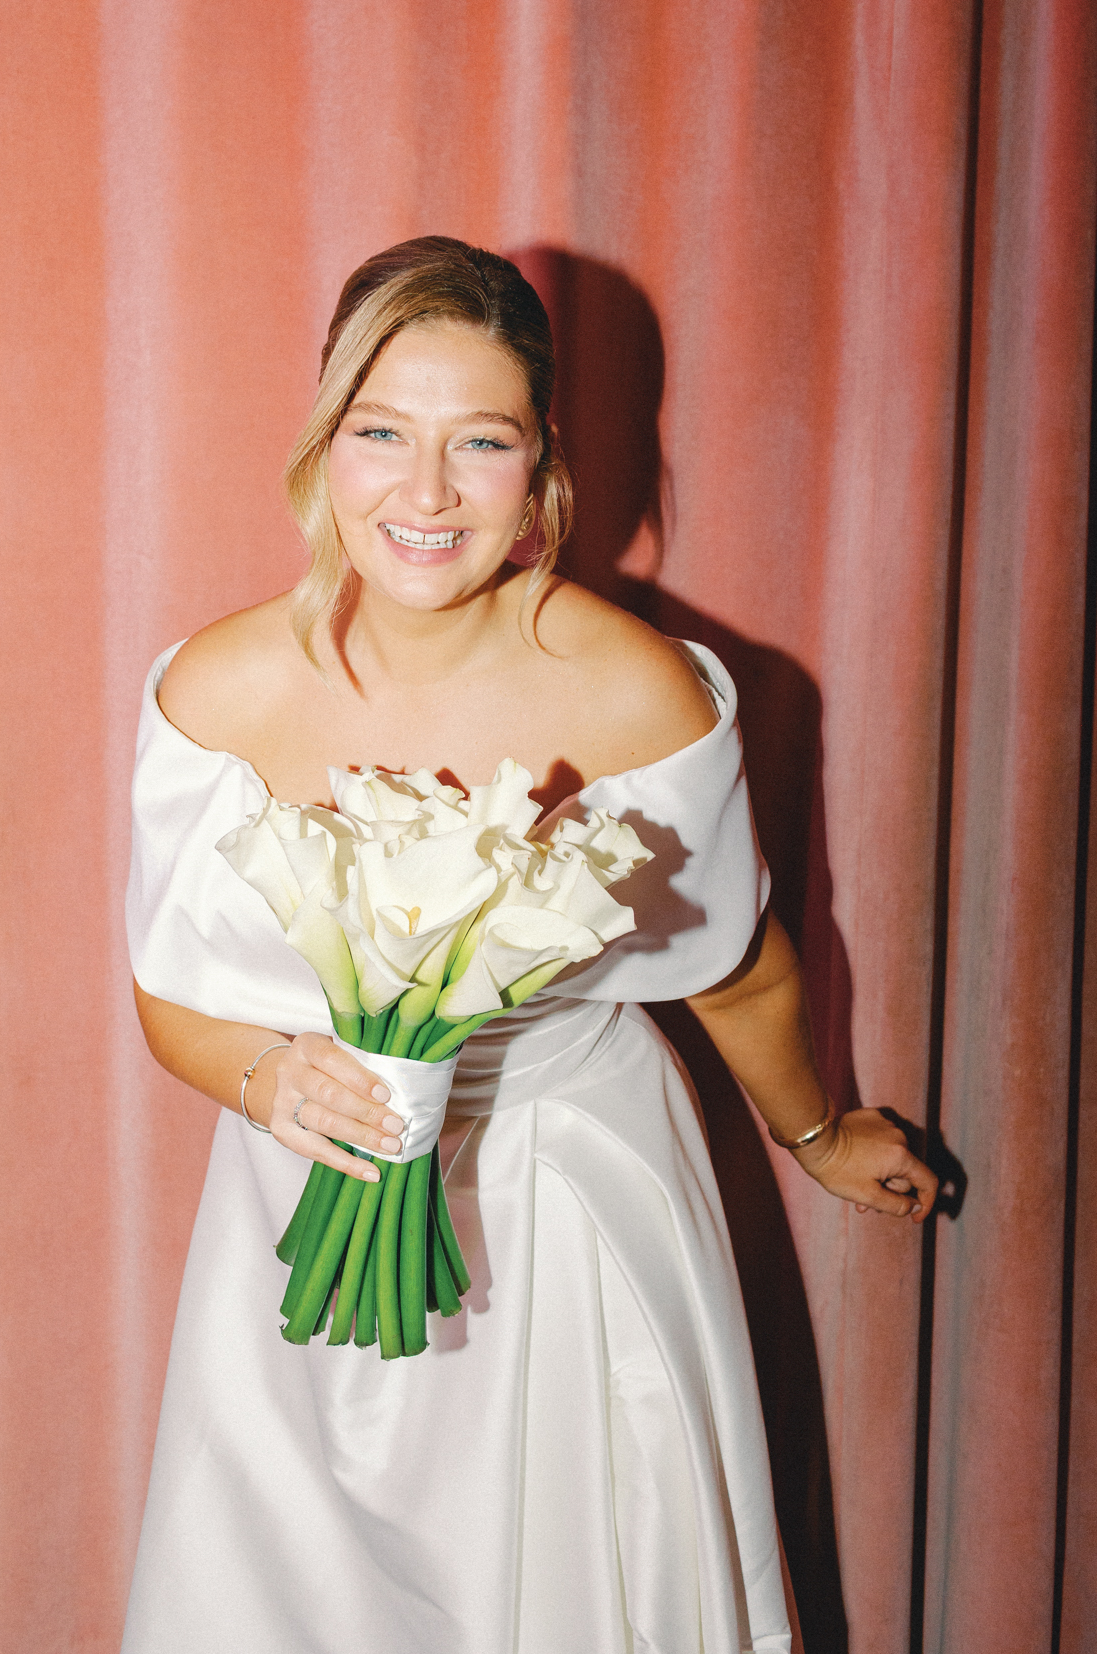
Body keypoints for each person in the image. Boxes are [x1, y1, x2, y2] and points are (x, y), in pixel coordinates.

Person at [122, 236, 936, 1654]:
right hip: (296, 1199)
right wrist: (267, 1083)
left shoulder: (637, 690)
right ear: (324, 446)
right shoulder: (217, 687)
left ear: (539, 471)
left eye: (478, 442)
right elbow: (168, 995)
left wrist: (814, 1133)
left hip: (567, 1191)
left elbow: (737, 966)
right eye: (382, 432)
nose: (425, 492)